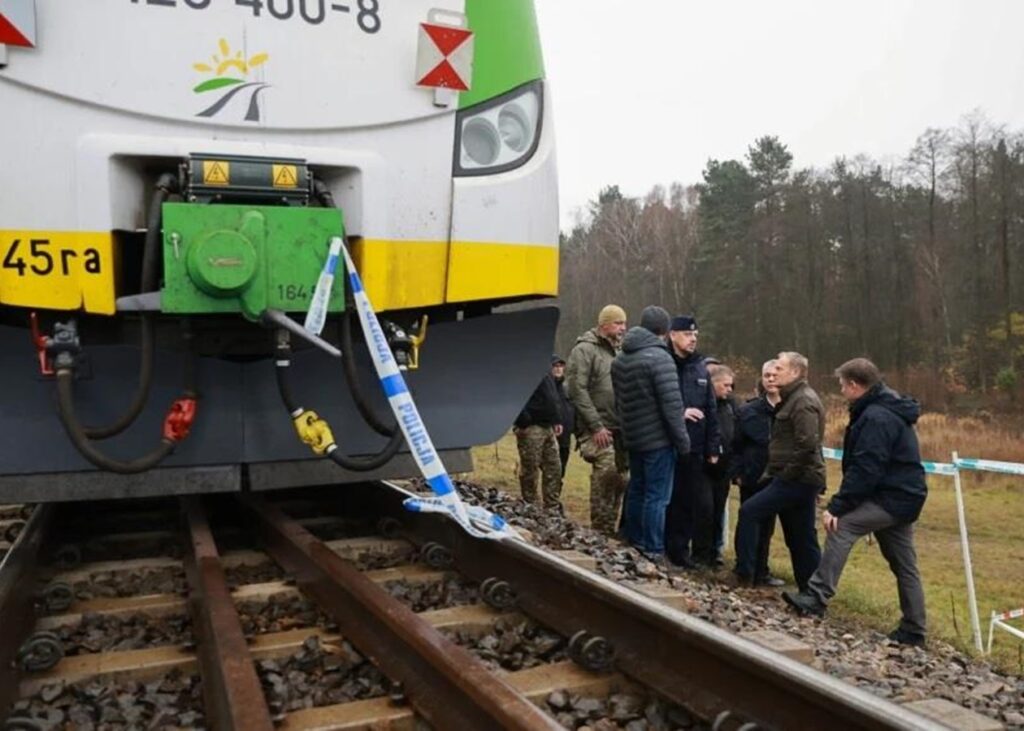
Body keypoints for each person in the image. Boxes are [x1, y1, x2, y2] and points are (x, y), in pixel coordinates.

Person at [783, 358, 928, 647]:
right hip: (903, 495)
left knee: (842, 526)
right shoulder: (883, 409)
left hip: (892, 496)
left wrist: (838, 506)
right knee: (904, 564)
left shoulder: (876, 417)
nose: (840, 390)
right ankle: (914, 628)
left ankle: (816, 596)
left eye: (841, 385)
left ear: (853, 385)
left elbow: (867, 467)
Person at [733, 352, 825, 590]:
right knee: (800, 536)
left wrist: (784, 474)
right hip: (795, 477)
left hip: (797, 479)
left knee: (751, 511)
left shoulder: (803, 401)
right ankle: (810, 590)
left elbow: (807, 444)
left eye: (780, 369)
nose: (774, 373)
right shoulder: (791, 398)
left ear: (794, 373)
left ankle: (745, 576)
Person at [611, 306, 690, 560]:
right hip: (658, 439)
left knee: (637, 489)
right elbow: (672, 405)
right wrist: (683, 441)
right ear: (664, 331)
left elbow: (619, 401)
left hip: (633, 436)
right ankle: (653, 548)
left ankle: (634, 539)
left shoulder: (621, 358)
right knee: (657, 496)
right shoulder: (660, 358)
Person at [566, 305, 629, 534]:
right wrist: (595, 426)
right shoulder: (585, 350)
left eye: (624, 323)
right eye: (618, 323)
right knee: (606, 476)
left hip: (619, 428)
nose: (623, 328)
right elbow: (576, 390)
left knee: (620, 480)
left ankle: (610, 530)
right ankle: (600, 531)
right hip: (596, 428)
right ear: (604, 325)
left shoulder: (620, 351)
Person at [664, 316, 721, 568]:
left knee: (687, 501)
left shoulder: (700, 367)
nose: (693, 339)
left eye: (695, 335)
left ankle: (680, 551)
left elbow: (710, 408)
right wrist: (680, 413)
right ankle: (657, 545)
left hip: (695, 447)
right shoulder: (663, 363)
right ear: (673, 335)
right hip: (666, 443)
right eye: (688, 334)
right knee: (665, 498)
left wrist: (712, 446)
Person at [731, 360, 785, 587]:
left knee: (767, 528)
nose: (771, 379)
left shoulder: (794, 409)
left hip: (780, 477)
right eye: (766, 375)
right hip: (753, 475)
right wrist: (737, 472)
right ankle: (745, 570)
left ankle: (761, 571)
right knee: (748, 523)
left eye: (775, 375)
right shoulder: (748, 410)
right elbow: (736, 445)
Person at [513, 367, 564, 511]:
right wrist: (523, 419)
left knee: (554, 468)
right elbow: (514, 393)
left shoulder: (545, 366)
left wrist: (556, 419)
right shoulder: (523, 365)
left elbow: (552, 395)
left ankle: (552, 507)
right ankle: (530, 506)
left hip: (548, 426)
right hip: (531, 426)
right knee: (530, 468)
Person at [707, 363, 737, 567]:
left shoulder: (730, 406)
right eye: (726, 385)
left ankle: (715, 550)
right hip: (705, 466)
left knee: (719, 509)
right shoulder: (706, 406)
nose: (729, 390)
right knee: (705, 508)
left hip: (724, 468)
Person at [551, 355, 574, 477]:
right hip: (549, 434)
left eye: (560, 366)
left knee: (561, 470)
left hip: (565, 436)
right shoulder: (545, 387)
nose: (558, 369)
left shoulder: (566, 388)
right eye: (555, 366)